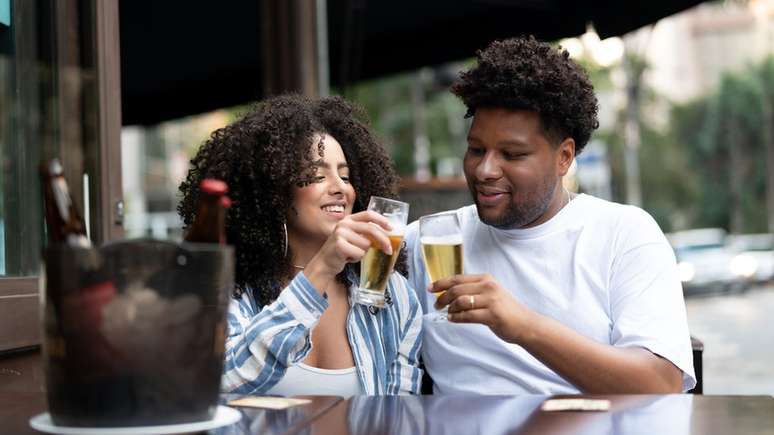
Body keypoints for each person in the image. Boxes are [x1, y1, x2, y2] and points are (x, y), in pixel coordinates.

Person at [404, 36, 695, 394]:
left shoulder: (623, 234)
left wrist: (524, 326)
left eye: (512, 154)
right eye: (476, 149)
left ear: (564, 157)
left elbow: (660, 383)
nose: (484, 170)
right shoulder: (432, 240)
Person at [178, 94, 422, 396]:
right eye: (318, 175)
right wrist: (320, 269)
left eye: (345, 176)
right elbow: (220, 380)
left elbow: (400, 413)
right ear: (275, 192)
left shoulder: (394, 296)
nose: (340, 188)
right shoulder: (231, 290)